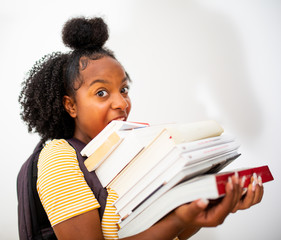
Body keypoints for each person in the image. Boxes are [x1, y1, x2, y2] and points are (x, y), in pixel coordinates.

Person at [18, 16, 264, 240]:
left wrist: (207, 207)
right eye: (102, 92)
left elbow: (166, 231)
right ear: (71, 105)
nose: (121, 103)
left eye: (123, 89)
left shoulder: (128, 153)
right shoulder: (58, 157)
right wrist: (177, 220)